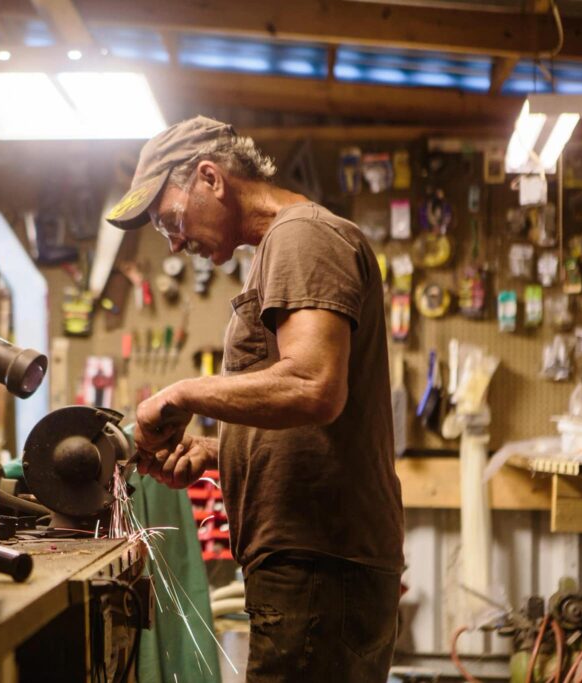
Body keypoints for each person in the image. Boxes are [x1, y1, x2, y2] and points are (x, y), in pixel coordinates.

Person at [105, 116, 405, 682]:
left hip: (318, 561)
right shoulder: (284, 245)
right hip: (315, 561)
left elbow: (313, 385)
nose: (173, 241)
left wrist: (182, 393)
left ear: (211, 178)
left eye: (170, 218)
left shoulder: (301, 236)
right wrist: (222, 452)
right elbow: (311, 415)